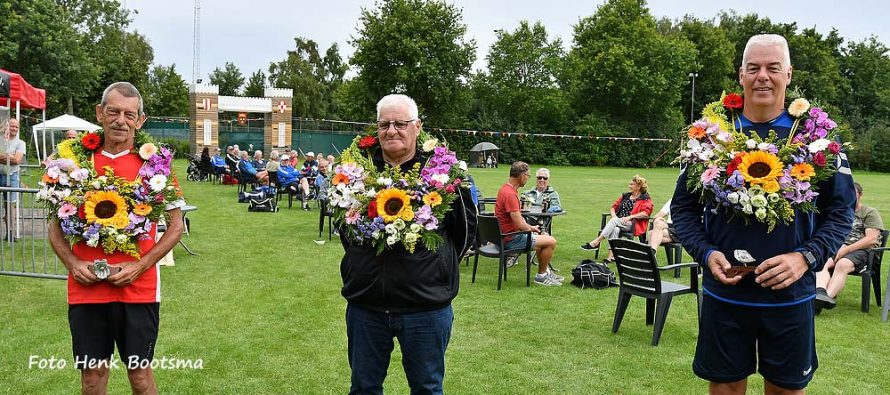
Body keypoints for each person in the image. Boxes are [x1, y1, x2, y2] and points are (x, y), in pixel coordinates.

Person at [671, 34, 855, 395]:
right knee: (724, 387)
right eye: (753, 68)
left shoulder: (817, 140)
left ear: (789, 73)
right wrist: (706, 254)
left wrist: (806, 257)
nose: (763, 76)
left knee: (786, 389)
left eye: (773, 67)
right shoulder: (712, 137)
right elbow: (683, 208)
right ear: (741, 75)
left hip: (790, 296)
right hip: (726, 295)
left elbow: (841, 211)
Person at [46, 82, 185, 395]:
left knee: (140, 376)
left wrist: (142, 265)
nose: (121, 120)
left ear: (140, 120)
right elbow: (54, 225)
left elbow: (175, 226)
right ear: (100, 113)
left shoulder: (156, 164)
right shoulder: (72, 163)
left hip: (138, 290)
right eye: (113, 111)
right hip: (87, 289)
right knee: (92, 379)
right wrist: (72, 262)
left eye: (129, 114)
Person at [339, 94, 475, 394]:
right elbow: (345, 229)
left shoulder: (444, 173)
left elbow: (464, 233)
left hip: (425, 306)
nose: (391, 130)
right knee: (363, 388)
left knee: (427, 388)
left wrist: (437, 267)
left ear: (417, 127)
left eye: (400, 123)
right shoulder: (354, 173)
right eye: (384, 124)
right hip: (367, 305)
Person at [814, 182, 883, 313]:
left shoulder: (869, 212)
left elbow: (871, 239)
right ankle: (820, 294)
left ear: (860, 195)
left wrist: (845, 249)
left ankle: (823, 301)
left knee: (842, 264)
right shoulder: (840, 212)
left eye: (853, 194)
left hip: (862, 251)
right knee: (821, 262)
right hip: (837, 247)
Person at [494, 161, 561, 285]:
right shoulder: (510, 194)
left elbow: (519, 222)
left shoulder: (505, 189)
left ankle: (546, 273)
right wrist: (533, 229)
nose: (528, 179)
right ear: (522, 176)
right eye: (528, 176)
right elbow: (521, 225)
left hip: (504, 236)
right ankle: (541, 276)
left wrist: (532, 229)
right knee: (551, 241)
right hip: (510, 239)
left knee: (545, 238)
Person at [580, 175, 653, 263]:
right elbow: (613, 207)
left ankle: (597, 241)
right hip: (619, 222)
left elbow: (646, 213)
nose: (629, 186)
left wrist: (630, 217)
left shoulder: (645, 199)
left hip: (633, 224)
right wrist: (614, 216)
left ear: (638, 187)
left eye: (632, 184)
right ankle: (611, 257)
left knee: (615, 222)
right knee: (615, 228)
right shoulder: (625, 196)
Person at [0, 117, 26, 240]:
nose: (14, 128)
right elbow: (13, 158)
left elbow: (17, 160)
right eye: (12, 125)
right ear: (7, 126)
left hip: (12, 176)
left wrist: (3, 156)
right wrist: (9, 156)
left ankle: (10, 233)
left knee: (10, 205)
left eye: (16, 126)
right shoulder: (1, 141)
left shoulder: (21, 143)